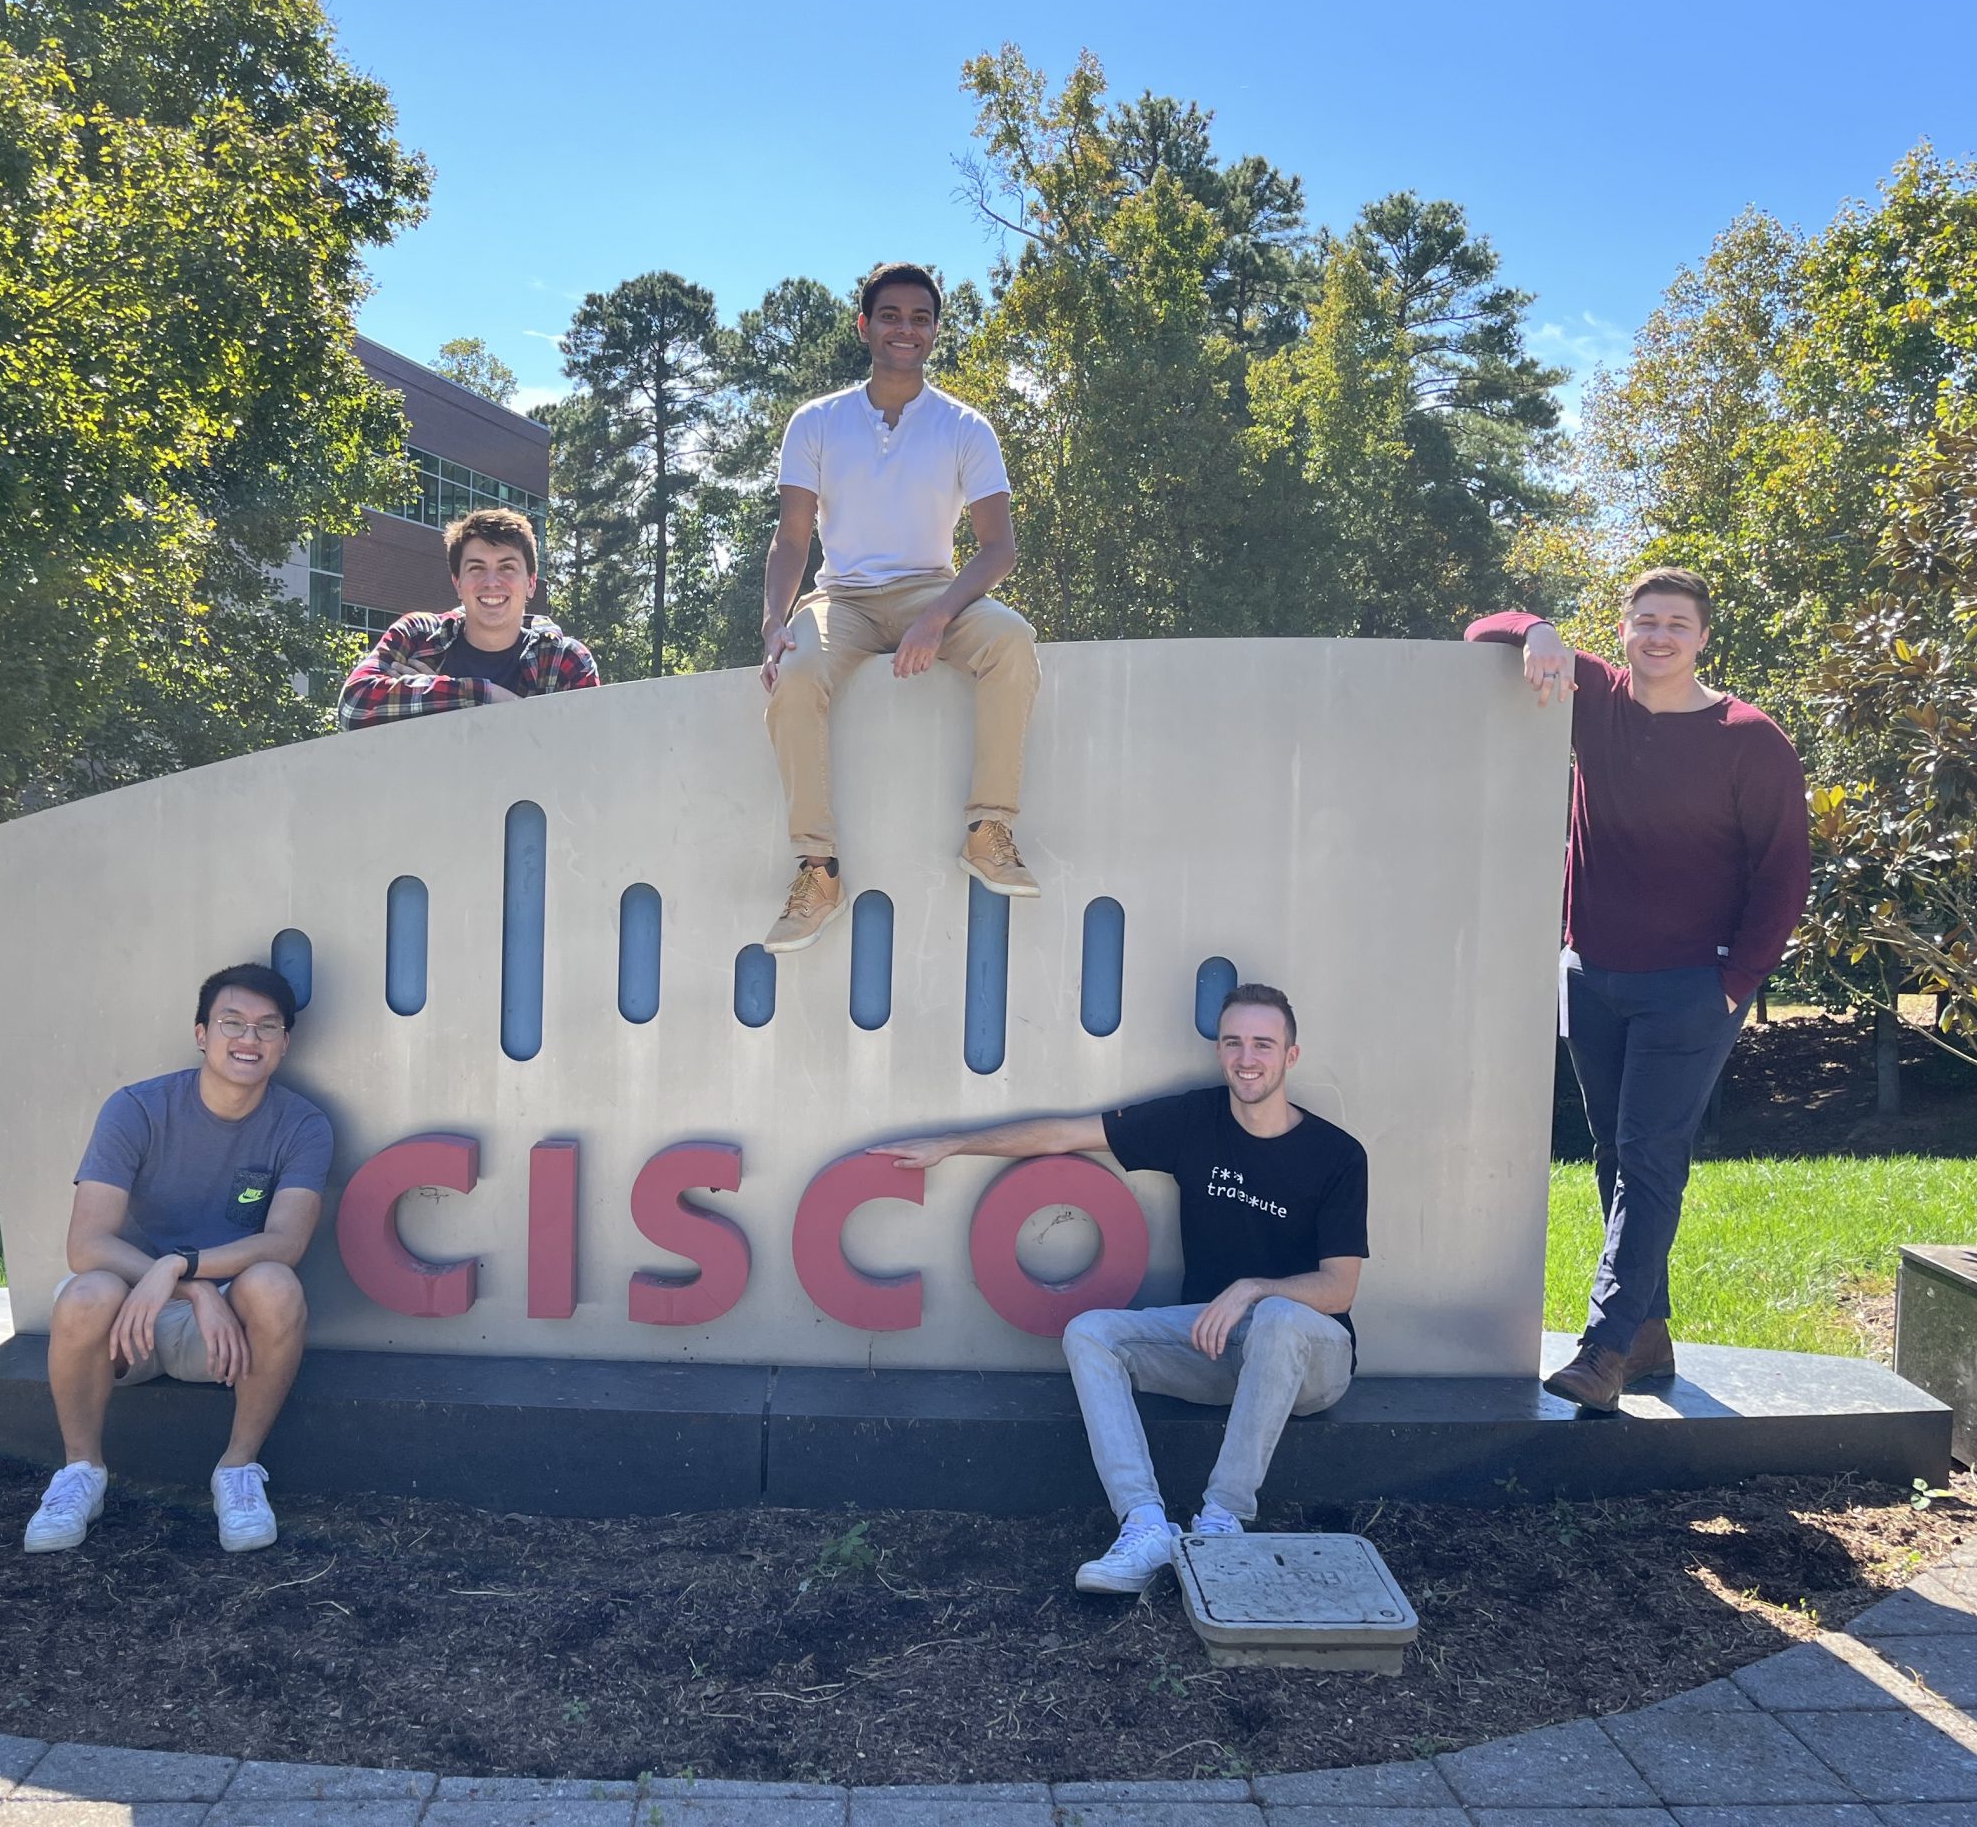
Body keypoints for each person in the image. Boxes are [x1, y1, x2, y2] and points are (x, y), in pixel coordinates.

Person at [874, 984, 1367, 1593]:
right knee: (1090, 1332)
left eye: (1264, 1044)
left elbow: (1338, 1289)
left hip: (1312, 1363)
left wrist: (1253, 1290)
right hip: (1219, 1350)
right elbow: (1062, 1134)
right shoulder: (1194, 1121)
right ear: (1219, 1051)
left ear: (1290, 1056)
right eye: (1233, 1042)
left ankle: (1221, 1521)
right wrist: (953, 1145)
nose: (1247, 1057)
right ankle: (1144, 1524)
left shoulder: (1337, 1155)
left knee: (1278, 1318)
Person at [1468, 569, 1809, 1413]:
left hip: (1692, 986)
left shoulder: (1749, 737)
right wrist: (1539, 630)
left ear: (1702, 639)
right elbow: (1483, 632)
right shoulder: (1599, 697)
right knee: (1615, 1154)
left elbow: (1784, 874)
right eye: (1645, 621)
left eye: (1678, 625)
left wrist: (1734, 985)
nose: (1659, 636)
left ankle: (1606, 1349)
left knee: (1650, 1158)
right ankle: (1649, 1331)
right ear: (1622, 630)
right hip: (1590, 973)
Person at [757, 260, 1040, 951]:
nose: (904, 329)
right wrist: (772, 621)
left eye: (919, 318)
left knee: (1011, 639)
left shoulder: (965, 427)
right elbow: (793, 537)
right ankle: (818, 871)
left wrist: (938, 615)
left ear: (935, 331)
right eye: (890, 316)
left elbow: (998, 548)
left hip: (931, 591)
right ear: (865, 326)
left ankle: (988, 831)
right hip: (843, 598)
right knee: (793, 676)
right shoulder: (816, 422)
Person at [23, 964, 335, 1555]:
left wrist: (182, 1266)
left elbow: (285, 1242)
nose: (249, 1039)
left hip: (223, 1336)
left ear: (284, 1044)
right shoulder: (136, 1109)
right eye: (232, 1023)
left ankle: (238, 1472)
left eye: (267, 1028)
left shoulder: (302, 1125)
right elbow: (87, 1243)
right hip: (130, 1323)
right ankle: (79, 1475)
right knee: (86, 1290)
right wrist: (185, 1281)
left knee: (275, 1284)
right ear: (201, 1033)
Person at [336, 507, 600, 730]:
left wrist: (437, 695)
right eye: (476, 568)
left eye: (507, 567)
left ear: (531, 583)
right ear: (458, 582)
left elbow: (585, 753)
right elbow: (354, 707)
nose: (491, 582)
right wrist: (487, 695)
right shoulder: (418, 636)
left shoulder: (564, 660)